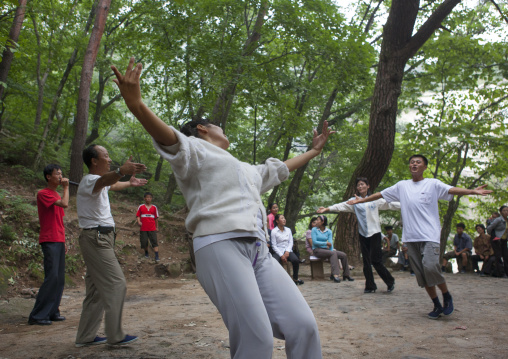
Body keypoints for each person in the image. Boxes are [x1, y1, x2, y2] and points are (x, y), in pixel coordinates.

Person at [111, 57, 329, 358]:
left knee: (303, 325)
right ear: (202, 129)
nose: (223, 129)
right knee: (257, 338)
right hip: (219, 244)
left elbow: (279, 169)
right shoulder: (194, 151)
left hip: (258, 250)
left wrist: (313, 152)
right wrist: (137, 105)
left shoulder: (243, 168)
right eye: (218, 125)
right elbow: (168, 137)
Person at [347, 154, 492, 319]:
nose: (414, 164)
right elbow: (380, 194)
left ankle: (446, 295)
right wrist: (360, 201)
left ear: (424, 166)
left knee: (430, 267)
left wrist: (472, 191)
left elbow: (451, 190)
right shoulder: (402, 186)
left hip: (430, 235)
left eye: (418, 162)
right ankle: (436, 305)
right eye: (412, 162)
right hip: (411, 237)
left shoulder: (432, 183)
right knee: (422, 275)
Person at [75, 144, 147, 347]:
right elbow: (105, 181)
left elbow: (112, 185)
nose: (109, 159)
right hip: (96, 238)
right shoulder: (90, 180)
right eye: (105, 156)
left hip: (100, 238)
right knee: (116, 284)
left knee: (96, 290)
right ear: (94, 161)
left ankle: (85, 336)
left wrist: (129, 183)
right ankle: (115, 334)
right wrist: (121, 171)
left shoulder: (99, 182)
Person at [317, 177, 399, 293]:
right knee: (366, 261)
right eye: (358, 185)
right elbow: (341, 206)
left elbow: (391, 205)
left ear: (368, 186)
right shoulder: (354, 201)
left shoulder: (375, 200)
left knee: (376, 260)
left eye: (362, 184)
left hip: (375, 233)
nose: (360, 187)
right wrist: (327, 209)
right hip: (363, 235)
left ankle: (389, 281)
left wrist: (406, 205)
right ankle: (370, 286)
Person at [28, 164, 69, 326]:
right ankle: (37, 315)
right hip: (49, 239)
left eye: (61, 173)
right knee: (51, 277)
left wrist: (64, 241)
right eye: (57, 174)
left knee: (59, 279)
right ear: (48, 177)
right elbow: (65, 204)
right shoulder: (44, 193)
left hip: (58, 239)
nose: (60, 176)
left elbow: (60, 221)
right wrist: (66, 188)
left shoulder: (55, 193)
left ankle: (52, 311)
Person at [310, 215, 354, 283]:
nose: (316, 222)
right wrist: (325, 244)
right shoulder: (314, 230)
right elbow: (315, 242)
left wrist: (330, 250)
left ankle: (346, 275)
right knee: (333, 253)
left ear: (322, 222)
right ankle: (335, 275)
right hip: (317, 250)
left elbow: (330, 243)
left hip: (327, 250)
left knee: (343, 255)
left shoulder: (329, 231)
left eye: (318, 220)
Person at [270, 214, 304, 285]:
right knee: (274, 261)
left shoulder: (288, 230)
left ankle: (295, 278)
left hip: (287, 250)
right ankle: (276, 280)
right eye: (282, 218)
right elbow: (274, 245)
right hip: (278, 251)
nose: (284, 219)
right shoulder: (274, 231)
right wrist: (281, 255)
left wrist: (287, 251)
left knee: (295, 260)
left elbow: (290, 242)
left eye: (284, 218)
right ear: (277, 221)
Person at [136, 192, 160, 262]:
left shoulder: (154, 207)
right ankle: (146, 252)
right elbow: (138, 215)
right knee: (144, 241)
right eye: (147, 197)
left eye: (150, 197)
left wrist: (157, 227)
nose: (148, 199)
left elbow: (156, 218)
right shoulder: (141, 206)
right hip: (143, 228)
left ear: (151, 198)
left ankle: (156, 255)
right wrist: (138, 221)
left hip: (152, 228)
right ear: (144, 198)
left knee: (154, 241)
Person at [487, 205, 508, 278]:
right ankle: (501, 273)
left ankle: (506, 272)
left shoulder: (507, 220)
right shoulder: (498, 220)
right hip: (497, 240)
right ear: (501, 212)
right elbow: (489, 228)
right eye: (504, 210)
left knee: (506, 256)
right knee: (498, 256)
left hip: (504, 240)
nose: (506, 212)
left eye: (507, 210)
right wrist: (493, 236)